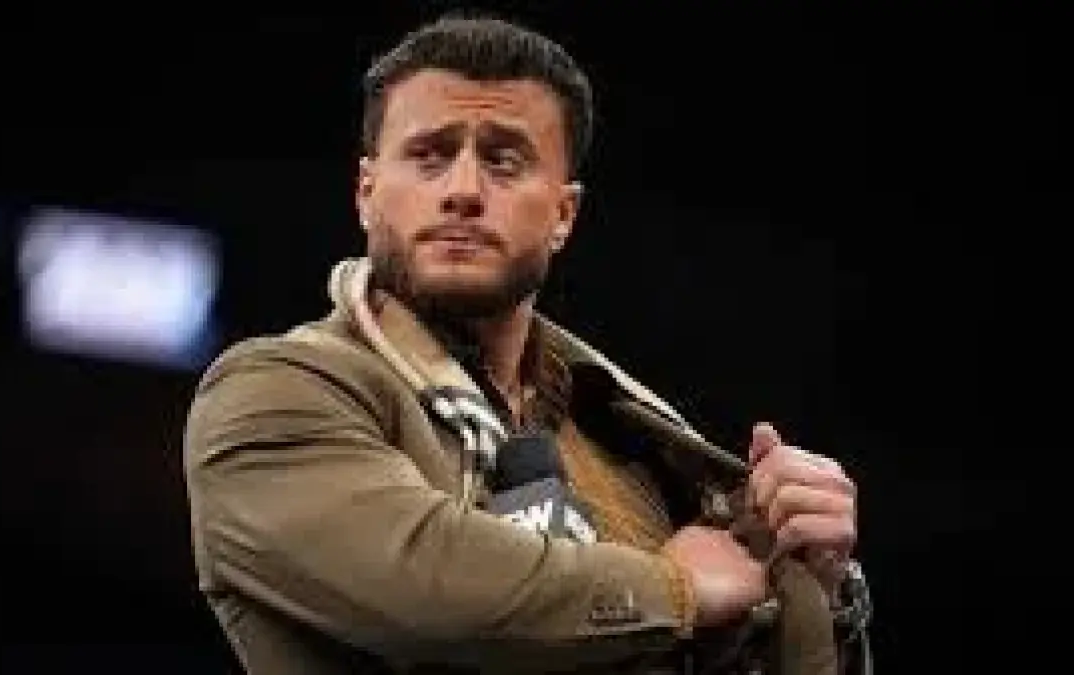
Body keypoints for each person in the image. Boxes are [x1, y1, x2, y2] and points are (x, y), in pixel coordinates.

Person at [183, 13, 867, 674]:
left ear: (564, 214)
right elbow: (430, 588)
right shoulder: (273, 394)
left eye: (504, 161)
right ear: (366, 193)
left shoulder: (629, 449)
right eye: (429, 155)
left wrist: (812, 587)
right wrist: (675, 590)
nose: (463, 191)